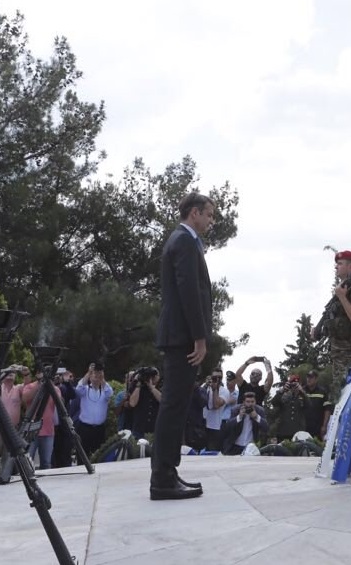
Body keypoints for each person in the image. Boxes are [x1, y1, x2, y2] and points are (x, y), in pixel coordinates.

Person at [150, 191, 215, 501]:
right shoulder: (184, 242)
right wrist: (199, 337)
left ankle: (168, 473)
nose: (211, 221)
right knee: (174, 406)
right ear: (194, 214)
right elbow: (189, 292)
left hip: (179, 335)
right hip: (182, 338)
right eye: (209, 215)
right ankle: (162, 478)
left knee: (175, 406)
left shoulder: (183, 240)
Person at [318, 250, 351, 415]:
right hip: (340, 359)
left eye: (340, 264)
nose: (336, 267)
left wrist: (342, 297)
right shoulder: (341, 290)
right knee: (339, 404)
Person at [0, 364, 31, 482]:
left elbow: (28, 385)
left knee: (7, 459)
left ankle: (3, 480)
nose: (11, 374)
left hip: (12, 430)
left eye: (13, 373)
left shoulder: (18, 389)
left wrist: (25, 372)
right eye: (8, 372)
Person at [75, 362, 113, 459]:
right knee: (82, 455)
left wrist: (102, 378)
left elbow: (110, 393)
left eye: (98, 374)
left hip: (99, 429)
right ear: (90, 377)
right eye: (94, 375)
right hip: (84, 428)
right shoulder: (85, 390)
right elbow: (78, 389)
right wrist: (89, 372)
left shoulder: (105, 390)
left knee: (99, 455)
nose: (96, 377)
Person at [22, 369, 57, 470]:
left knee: (46, 463)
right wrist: (40, 384)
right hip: (30, 431)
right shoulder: (30, 386)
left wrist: (49, 384)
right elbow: (25, 399)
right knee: (27, 461)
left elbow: (58, 400)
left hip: (48, 431)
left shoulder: (53, 387)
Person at [128, 367, 161, 439]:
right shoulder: (137, 386)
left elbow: (163, 400)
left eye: (155, 375)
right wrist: (138, 384)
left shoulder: (161, 386)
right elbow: (132, 403)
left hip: (155, 430)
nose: (152, 377)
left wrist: (152, 388)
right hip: (139, 429)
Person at [272, 375, 308, 441]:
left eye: (296, 385)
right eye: (292, 384)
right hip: (283, 432)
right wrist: (282, 390)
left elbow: (309, 406)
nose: (294, 387)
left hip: (298, 433)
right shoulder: (283, 395)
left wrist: (302, 392)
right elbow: (274, 402)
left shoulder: (303, 397)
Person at [202, 369, 229, 454]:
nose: (217, 379)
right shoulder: (205, 387)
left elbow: (216, 405)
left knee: (212, 454)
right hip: (202, 424)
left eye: (219, 377)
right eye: (214, 377)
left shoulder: (225, 391)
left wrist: (215, 390)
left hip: (215, 427)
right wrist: (205, 386)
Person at [302, 370, 328, 438]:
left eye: (311, 377)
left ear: (316, 379)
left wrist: (324, 426)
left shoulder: (323, 392)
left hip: (317, 429)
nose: (308, 379)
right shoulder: (301, 391)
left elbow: (327, 409)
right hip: (302, 429)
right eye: (307, 377)